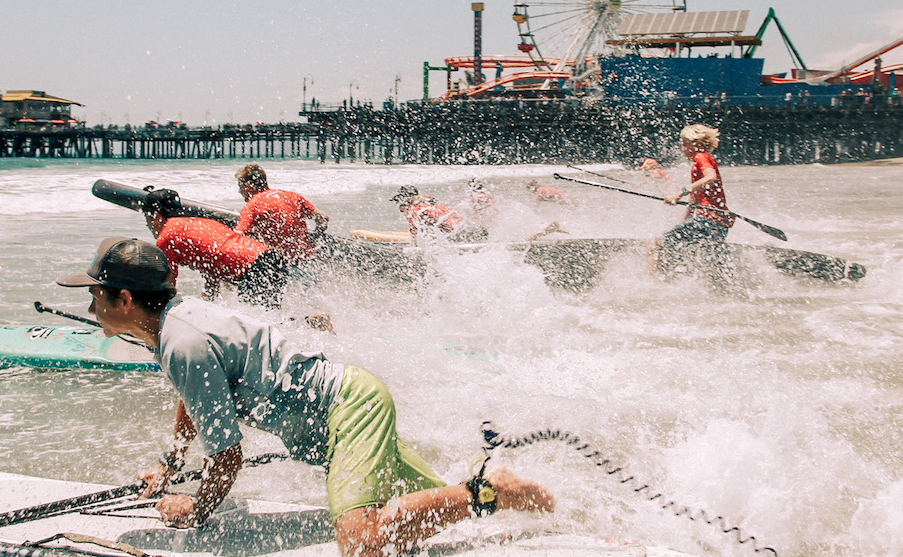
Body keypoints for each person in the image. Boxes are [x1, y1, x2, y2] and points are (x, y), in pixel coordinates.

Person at [56, 238, 554, 557]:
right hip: (346, 412)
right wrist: (170, 462)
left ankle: (490, 488)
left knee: (360, 544)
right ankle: (549, 506)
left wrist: (197, 510)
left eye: (96, 294)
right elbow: (196, 396)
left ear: (124, 299)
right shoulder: (175, 324)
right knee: (414, 521)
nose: (89, 304)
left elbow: (227, 456)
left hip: (349, 411)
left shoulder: (180, 340)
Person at [143, 189, 290, 309]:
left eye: (146, 219)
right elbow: (212, 257)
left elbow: (166, 287)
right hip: (271, 259)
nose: (147, 225)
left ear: (155, 216)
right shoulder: (196, 223)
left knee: (255, 323)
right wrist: (210, 300)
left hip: (253, 268)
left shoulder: (167, 236)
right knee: (267, 317)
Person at [650, 124, 736, 278]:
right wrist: (683, 220)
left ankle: (654, 282)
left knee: (656, 242)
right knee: (706, 262)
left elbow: (711, 177)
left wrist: (679, 193)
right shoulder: (699, 163)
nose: (682, 149)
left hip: (708, 220)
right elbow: (695, 198)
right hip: (718, 223)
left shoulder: (701, 156)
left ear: (696, 145)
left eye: (685, 144)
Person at [234, 163, 329, 264]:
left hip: (285, 264)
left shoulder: (253, 205)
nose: (239, 191)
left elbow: (237, 238)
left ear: (249, 186)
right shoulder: (292, 196)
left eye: (241, 186)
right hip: (309, 260)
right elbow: (323, 218)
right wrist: (316, 236)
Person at [391, 186, 488, 243]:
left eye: (397, 202)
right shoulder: (427, 204)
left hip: (464, 232)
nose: (398, 206)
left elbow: (416, 237)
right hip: (477, 227)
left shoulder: (412, 209)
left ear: (403, 200)